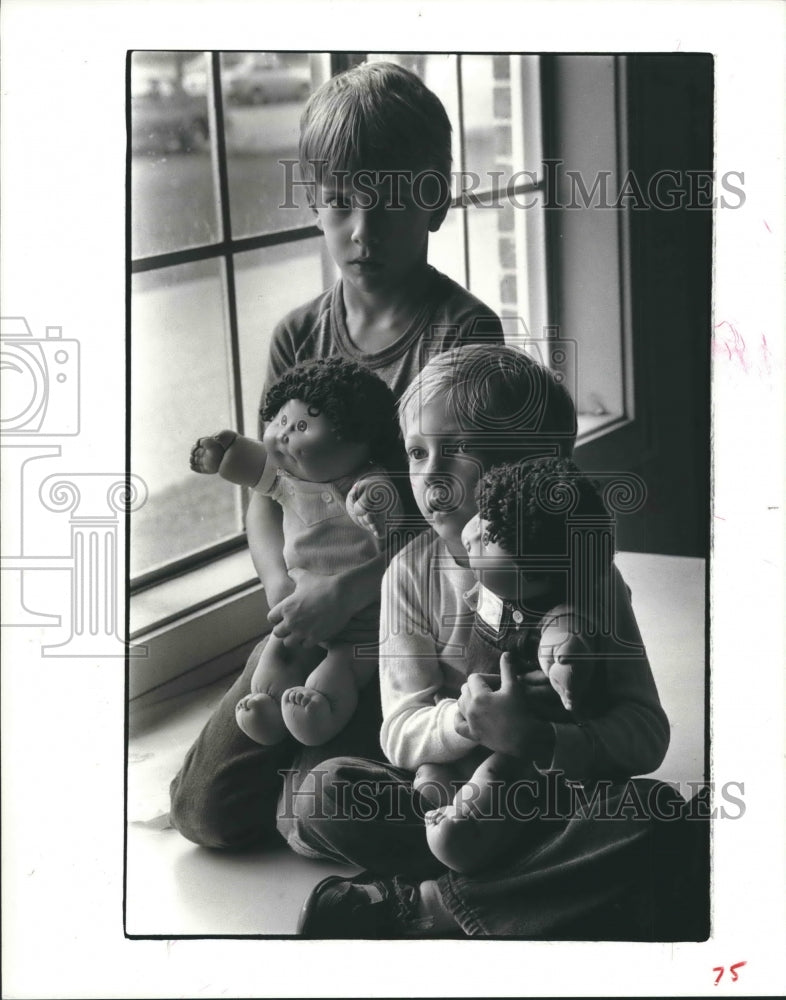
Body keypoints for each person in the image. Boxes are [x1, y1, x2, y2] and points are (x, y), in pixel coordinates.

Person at [169, 60, 504, 849]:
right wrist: (286, 588)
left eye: (390, 202)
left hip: (412, 629)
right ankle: (319, 768)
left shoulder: (463, 335)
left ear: (436, 200)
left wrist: (349, 591)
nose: (362, 229)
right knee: (201, 812)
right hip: (309, 625)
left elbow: (462, 519)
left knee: (311, 810)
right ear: (315, 206)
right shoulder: (297, 335)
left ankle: (411, 790)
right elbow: (266, 488)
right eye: (340, 204)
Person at [286, 345, 704, 939]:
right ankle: (539, 894)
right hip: (442, 801)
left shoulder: (588, 577)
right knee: (322, 795)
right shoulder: (408, 575)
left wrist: (539, 739)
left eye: (458, 449)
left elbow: (645, 733)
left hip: (554, 804)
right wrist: (469, 722)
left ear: (536, 465)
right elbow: (400, 729)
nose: (429, 473)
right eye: (416, 451)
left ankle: (426, 905)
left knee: (661, 819)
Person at [190, 357, 404, 747]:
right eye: (283, 421)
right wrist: (223, 453)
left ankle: (320, 710)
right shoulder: (287, 479)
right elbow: (253, 462)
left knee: (343, 666)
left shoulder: (364, 482)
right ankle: (267, 707)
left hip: (362, 619)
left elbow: (387, 510)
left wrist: (374, 505)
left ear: (356, 442)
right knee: (277, 655)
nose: (285, 435)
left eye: (302, 427)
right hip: (297, 607)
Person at [419, 456, 611, 873]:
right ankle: (494, 843)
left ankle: (460, 835)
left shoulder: (558, 612)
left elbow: (562, 635)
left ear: (534, 575)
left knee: (496, 781)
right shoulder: (491, 590)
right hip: (471, 728)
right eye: (482, 518)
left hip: (521, 754)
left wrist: (562, 659)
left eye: (488, 539)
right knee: (340, 785)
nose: (472, 535)